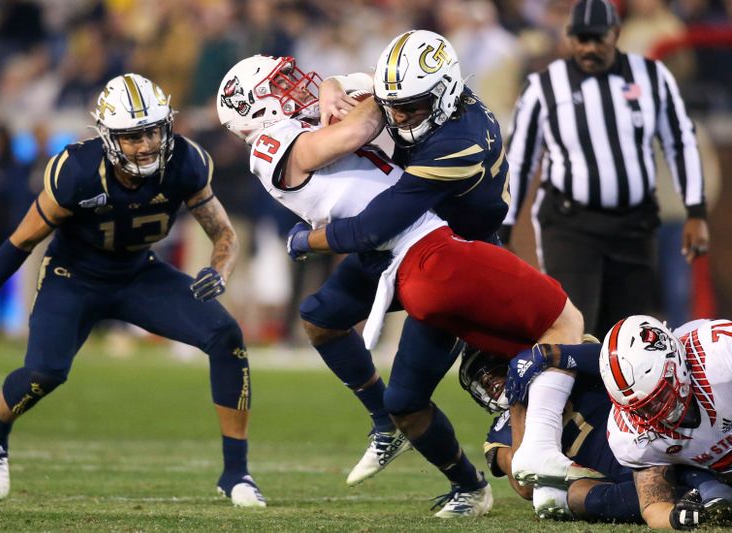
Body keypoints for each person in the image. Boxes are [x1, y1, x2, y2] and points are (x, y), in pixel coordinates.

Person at [217, 53, 585, 517]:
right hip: (407, 249)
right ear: (255, 109)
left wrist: (352, 87)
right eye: (282, 84)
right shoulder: (271, 144)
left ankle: (529, 426)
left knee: (406, 388)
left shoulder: (455, 133)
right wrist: (358, 87)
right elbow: (357, 133)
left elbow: (368, 211)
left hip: (432, 245)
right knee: (324, 322)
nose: (299, 85)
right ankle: (421, 441)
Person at [0, 73, 266, 508]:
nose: (147, 144)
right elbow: (22, 240)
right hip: (73, 277)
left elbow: (224, 233)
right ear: (109, 137)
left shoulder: (185, 161)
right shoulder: (77, 172)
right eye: (133, 136)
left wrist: (219, 270)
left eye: (153, 130)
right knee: (45, 373)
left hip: (138, 273)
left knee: (226, 335)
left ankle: (235, 472)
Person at [498, 0, 710, 339]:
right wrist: (505, 225)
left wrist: (695, 210)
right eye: (581, 38)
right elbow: (521, 159)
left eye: (598, 38)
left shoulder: (651, 76)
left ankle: (622, 395)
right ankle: (575, 393)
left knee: (634, 336)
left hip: (634, 225)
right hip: (571, 225)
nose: (589, 47)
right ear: (570, 37)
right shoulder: (545, 86)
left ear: (616, 34)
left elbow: (680, 141)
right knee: (576, 326)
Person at [465, 343, 732, 526]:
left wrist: (555, 355)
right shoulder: (501, 429)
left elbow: (611, 356)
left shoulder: (562, 369)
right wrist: (518, 404)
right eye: (482, 380)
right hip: (611, 476)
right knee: (553, 498)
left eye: (495, 369)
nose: (491, 381)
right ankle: (697, 501)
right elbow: (524, 485)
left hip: (650, 444)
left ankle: (709, 490)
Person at [599, 315, 732, 529]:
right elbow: (653, 505)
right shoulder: (628, 433)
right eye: (641, 408)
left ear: (676, 362)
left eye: (660, 395)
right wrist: (678, 518)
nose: (656, 413)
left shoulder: (721, 351)